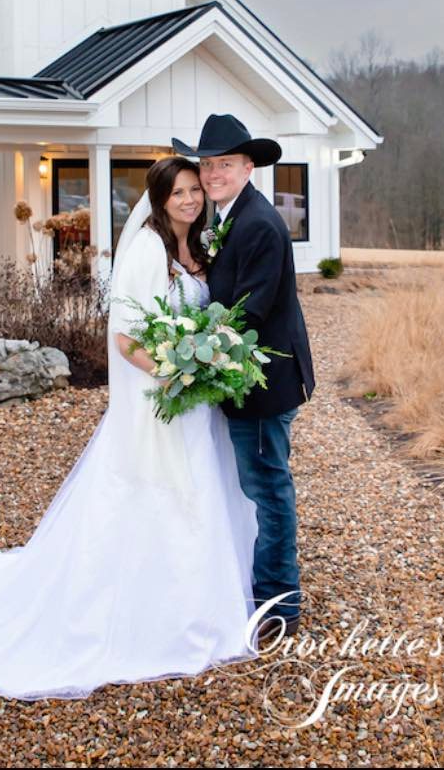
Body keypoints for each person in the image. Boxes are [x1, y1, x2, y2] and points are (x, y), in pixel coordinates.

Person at [0, 156, 260, 700]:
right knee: (159, 495)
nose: (189, 199)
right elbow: (127, 342)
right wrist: (179, 372)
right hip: (165, 401)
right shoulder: (148, 250)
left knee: (203, 492)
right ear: (157, 199)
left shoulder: (200, 246)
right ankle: (146, 618)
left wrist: (208, 362)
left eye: (193, 190)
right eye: (178, 192)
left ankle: (205, 606)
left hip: (197, 406)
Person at [173, 113, 317, 643]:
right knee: (262, 485)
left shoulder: (257, 223)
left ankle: (279, 603)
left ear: (248, 166)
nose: (213, 174)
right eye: (208, 164)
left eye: (224, 164)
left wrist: (187, 349)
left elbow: (245, 315)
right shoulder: (229, 214)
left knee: (267, 488)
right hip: (256, 375)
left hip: (263, 382)